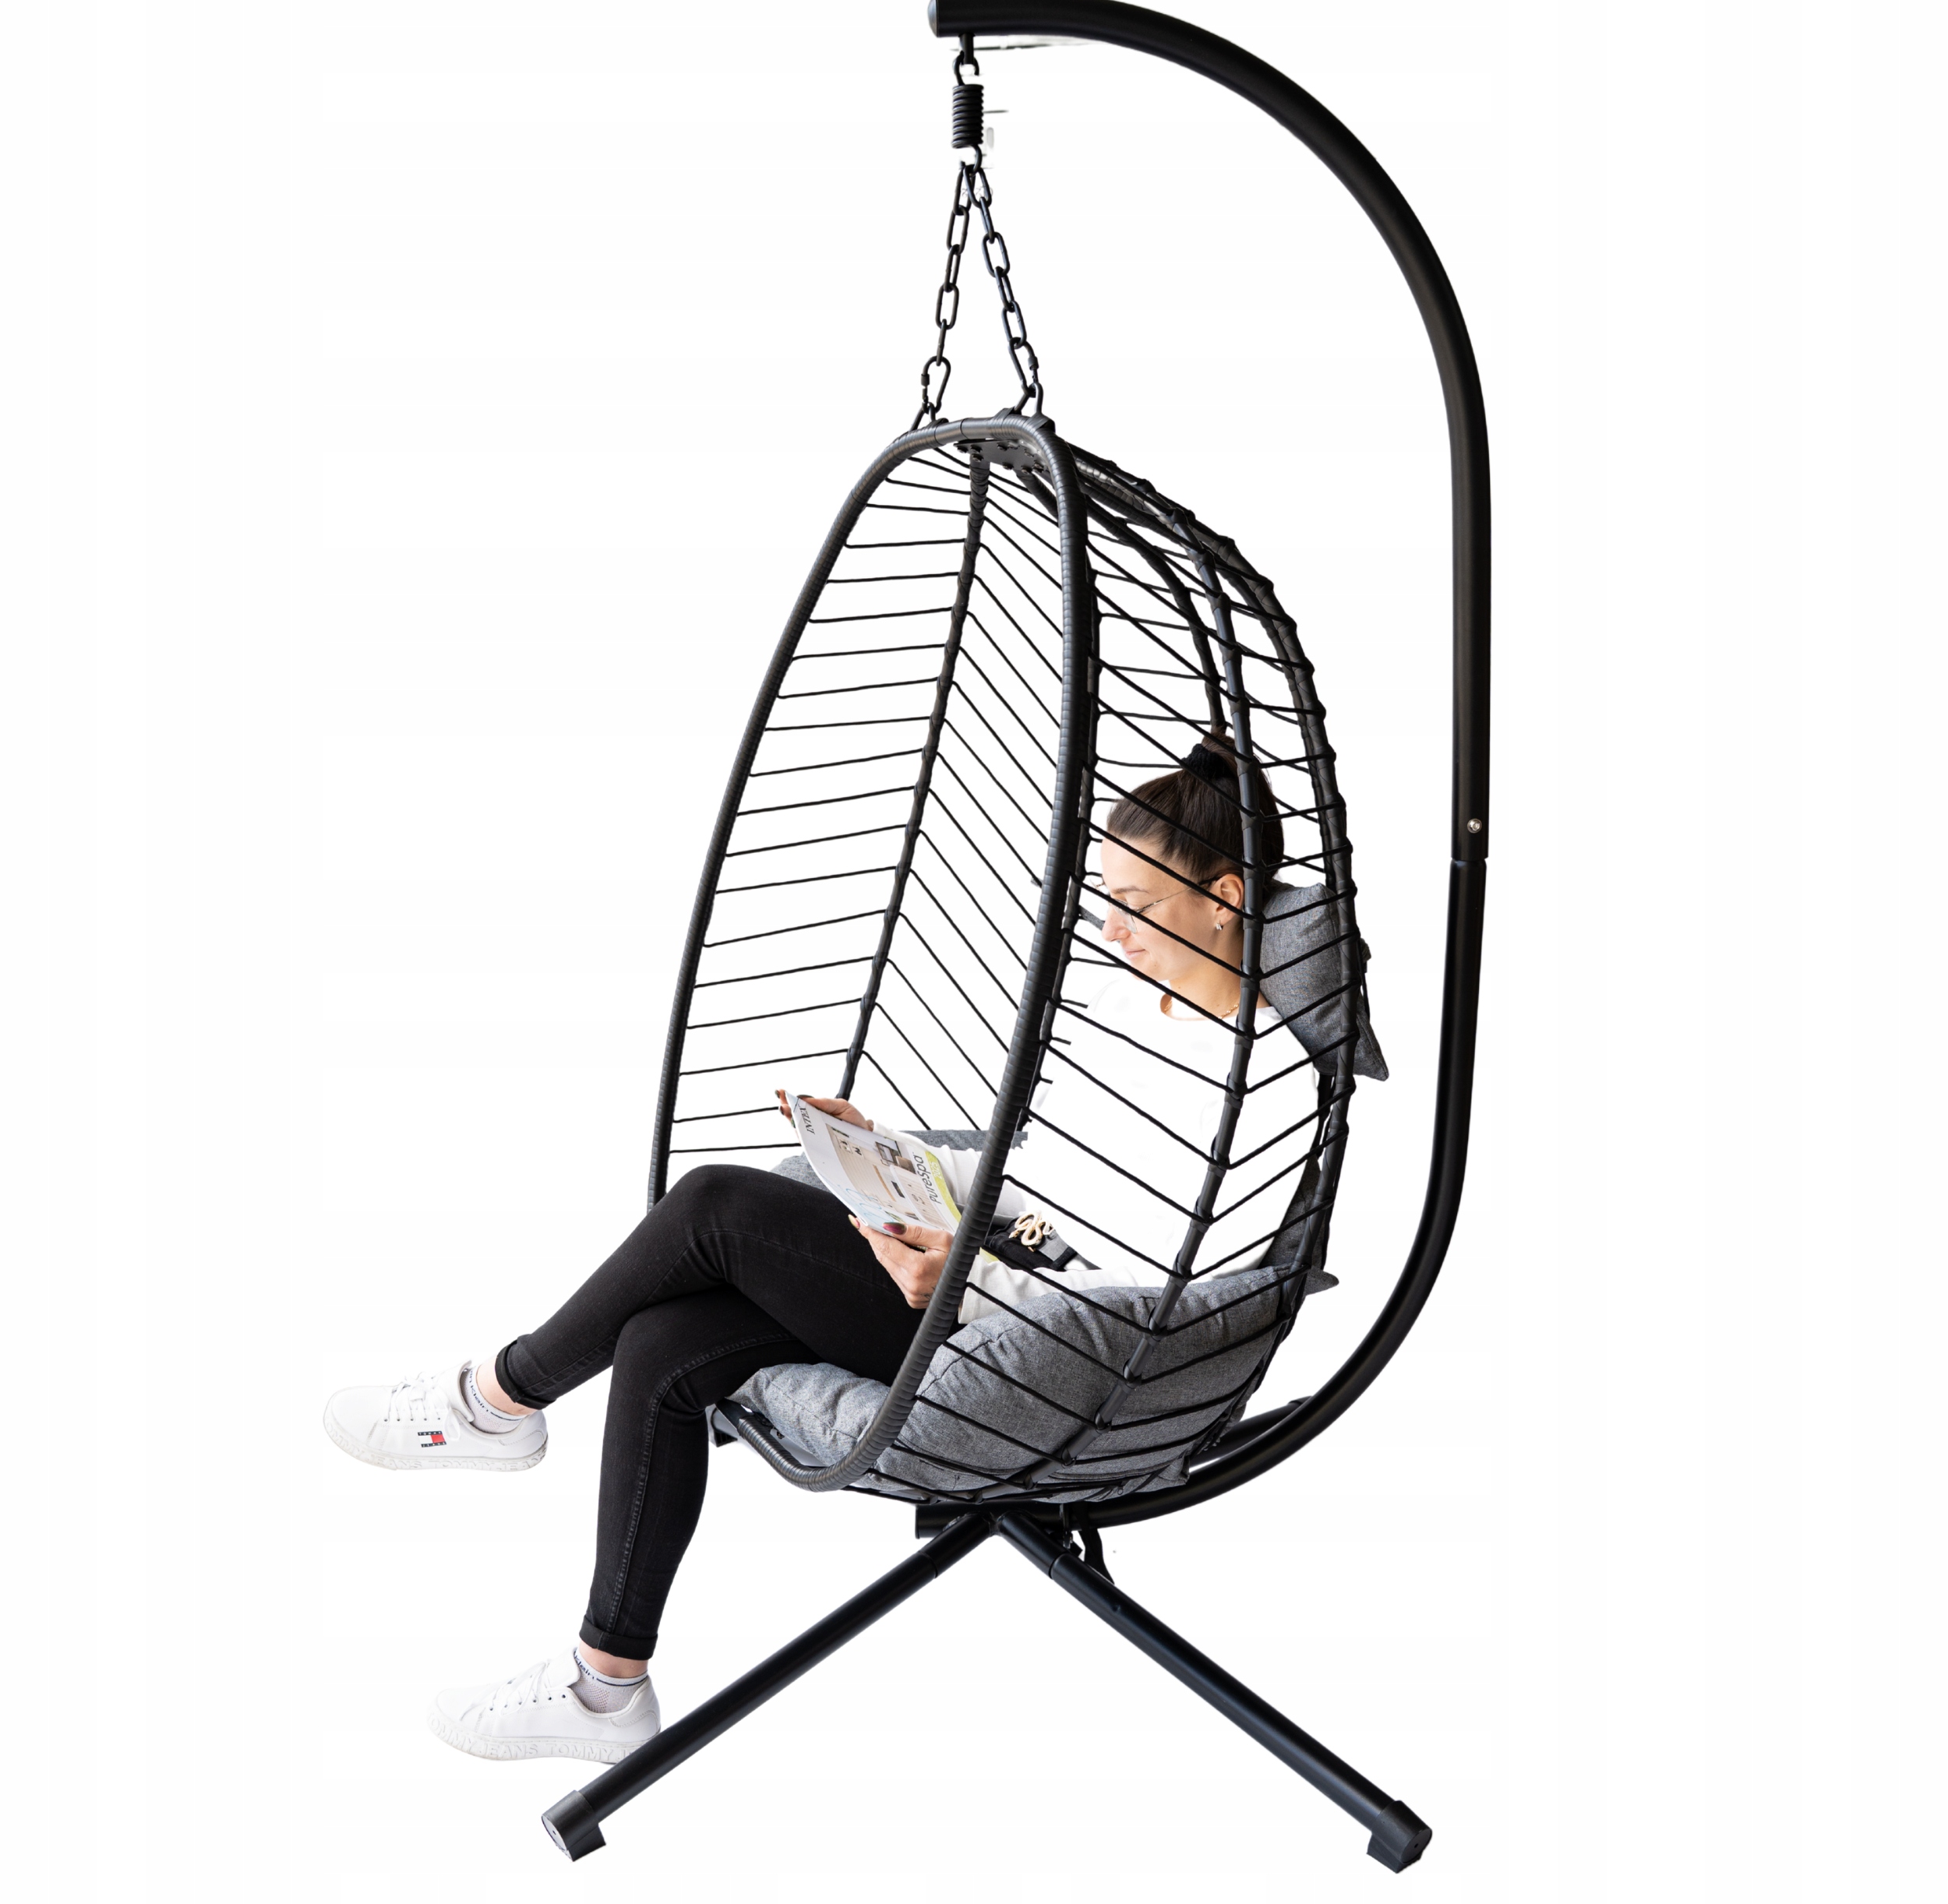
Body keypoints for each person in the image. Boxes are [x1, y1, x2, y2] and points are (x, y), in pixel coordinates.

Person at [323, 732, 1314, 1763]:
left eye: (1139, 908)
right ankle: (603, 1690)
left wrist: (965, 1286)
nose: (1111, 931)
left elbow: (1160, 1310)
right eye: (1106, 901)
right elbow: (1029, 1173)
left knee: (714, 1205)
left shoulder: (1267, 1088)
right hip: (973, 1261)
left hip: (1030, 1345)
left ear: (1227, 898)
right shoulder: (1128, 1008)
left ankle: (495, 1399)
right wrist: (890, 1159)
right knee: (663, 1344)